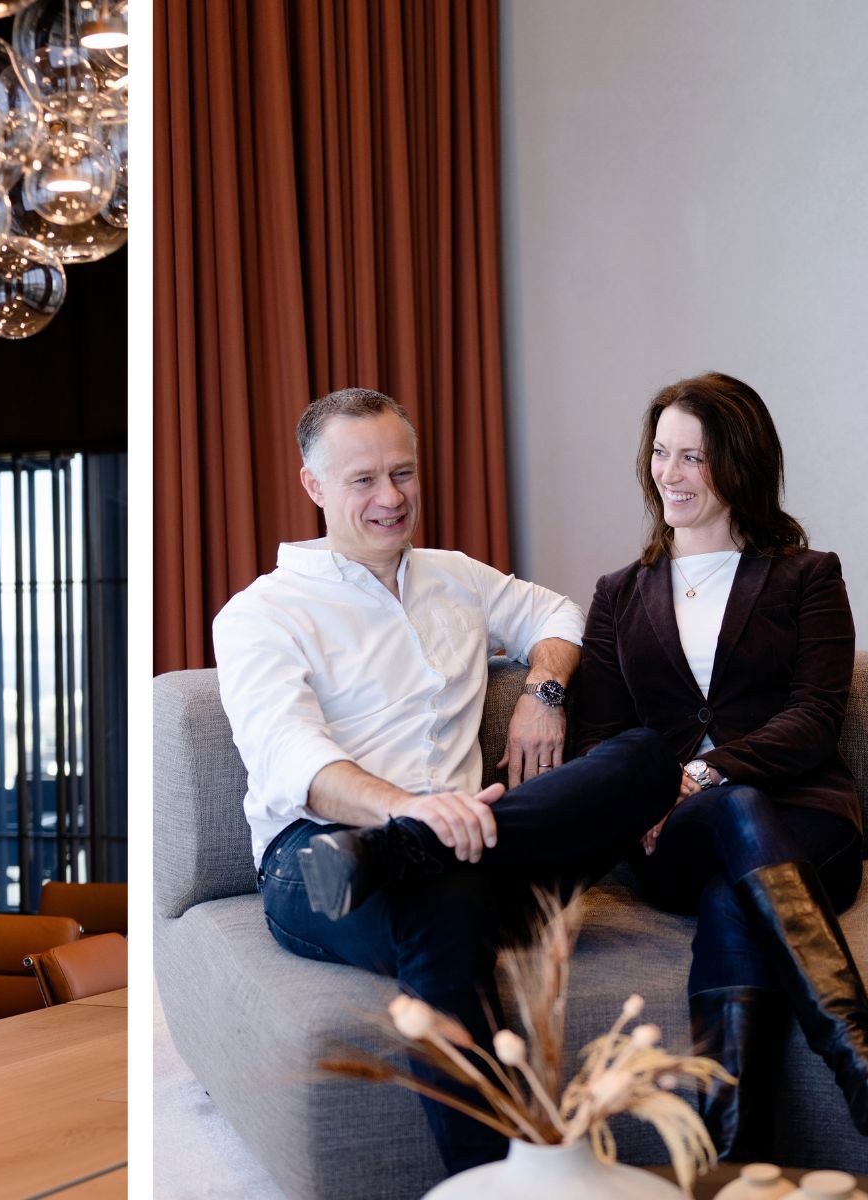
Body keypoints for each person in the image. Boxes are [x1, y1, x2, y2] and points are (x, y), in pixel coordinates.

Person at [214, 388, 677, 1176]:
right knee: (444, 902)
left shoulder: (453, 576)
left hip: (473, 837)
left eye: (404, 473)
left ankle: (411, 852)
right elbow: (293, 759)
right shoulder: (263, 613)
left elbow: (561, 617)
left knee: (647, 761)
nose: (391, 498)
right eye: (363, 480)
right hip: (320, 863)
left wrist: (544, 692)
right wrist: (410, 810)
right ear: (313, 485)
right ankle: (487, 1181)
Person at [568, 373, 868, 1159]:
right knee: (727, 814)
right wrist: (655, 795)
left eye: (694, 456)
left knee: (735, 856)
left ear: (741, 464)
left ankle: (731, 1156)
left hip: (805, 821)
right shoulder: (619, 594)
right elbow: (605, 735)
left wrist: (708, 771)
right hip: (668, 834)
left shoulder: (807, 577)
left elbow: (815, 717)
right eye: (661, 453)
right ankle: (853, 1053)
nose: (670, 473)